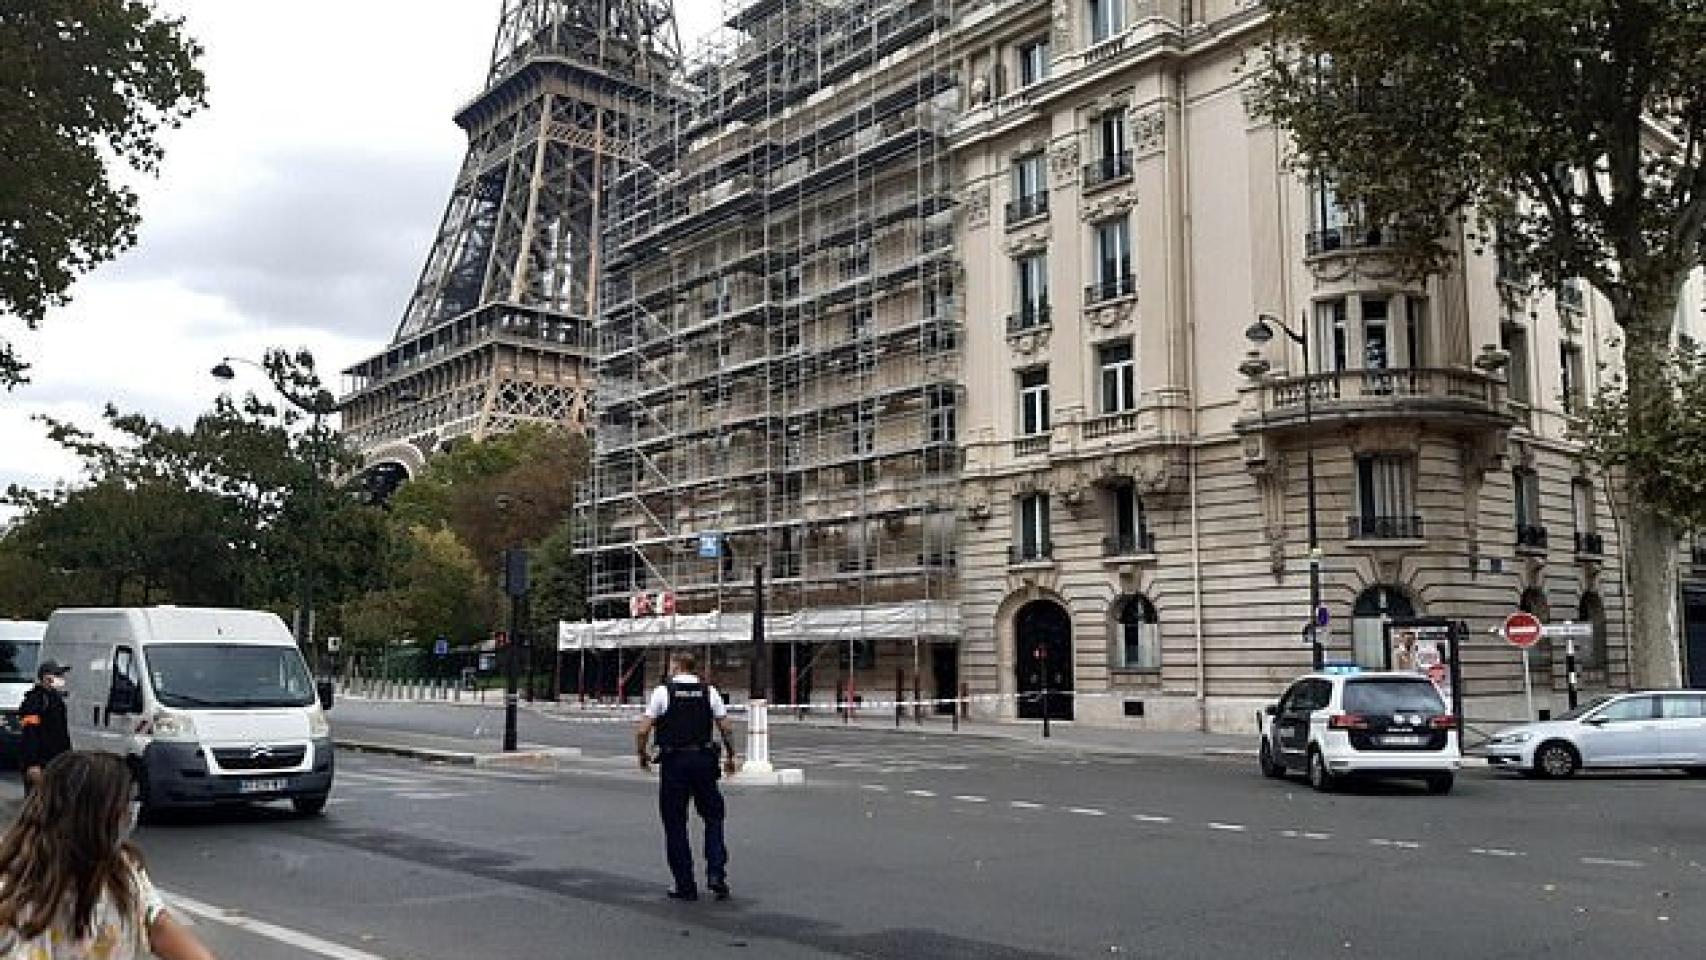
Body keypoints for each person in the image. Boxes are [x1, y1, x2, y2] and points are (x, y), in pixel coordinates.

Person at [0, 751, 216, 959]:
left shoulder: (122, 867)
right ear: (92, 817)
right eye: (123, 805)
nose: (130, 813)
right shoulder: (18, 889)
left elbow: (157, 925)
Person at [634, 653, 739, 902]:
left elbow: (642, 730)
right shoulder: (709, 691)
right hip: (704, 760)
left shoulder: (663, 692)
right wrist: (731, 754)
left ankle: (685, 884)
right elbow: (726, 727)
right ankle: (716, 873)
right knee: (714, 816)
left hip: (675, 763)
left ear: (676, 666)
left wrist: (642, 753)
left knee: (675, 822)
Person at [19, 660, 73, 793]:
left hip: (56, 761)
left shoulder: (56, 699)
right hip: (40, 764)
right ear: (46, 678)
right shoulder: (34, 701)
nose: (62, 679)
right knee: (38, 803)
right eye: (58, 676)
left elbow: (61, 733)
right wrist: (32, 764)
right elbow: (30, 733)